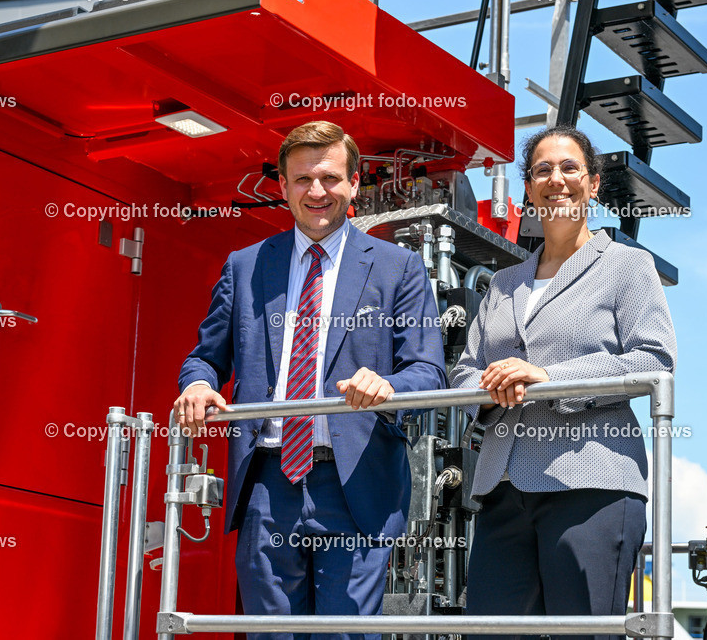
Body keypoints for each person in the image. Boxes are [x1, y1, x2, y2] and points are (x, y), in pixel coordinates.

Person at [174, 121, 446, 639]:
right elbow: (205, 358)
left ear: (353, 183)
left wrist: (388, 388)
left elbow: (427, 372)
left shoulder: (399, 268)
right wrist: (197, 385)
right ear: (282, 186)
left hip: (355, 486)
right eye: (302, 180)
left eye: (329, 178)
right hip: (267, 484)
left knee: (341, 635)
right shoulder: (246, 265)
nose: (316, 192)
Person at [450, 125, 676, 640]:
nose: (557, 180)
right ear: (528, 189)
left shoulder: (625, 266)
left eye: (570, 168)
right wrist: (488, 394)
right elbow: (465, 369)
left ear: (593, 184)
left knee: (585, 634)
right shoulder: (505, 282)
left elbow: (654, 360)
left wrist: (549, 378)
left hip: (591, 485)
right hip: (503, 490)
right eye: (543, 170)